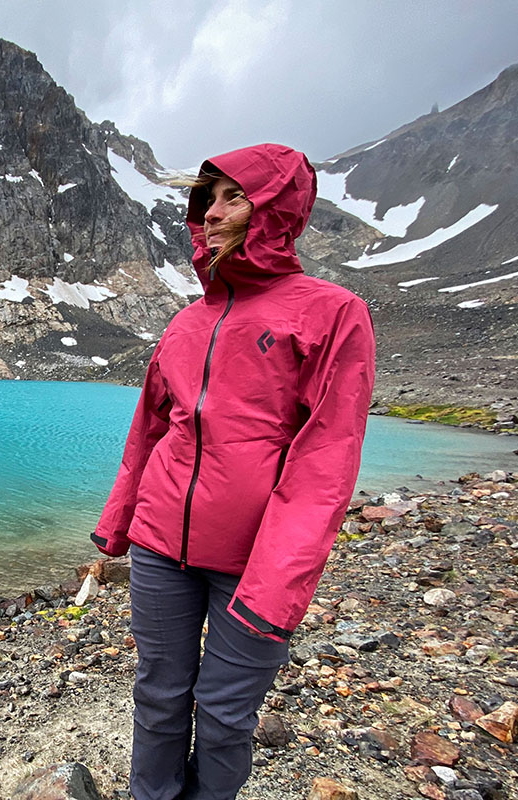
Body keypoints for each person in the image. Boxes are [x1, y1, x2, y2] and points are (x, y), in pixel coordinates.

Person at [91, 143, 376, 800]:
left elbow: (325, 464)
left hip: (254, 562)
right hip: (163, 548)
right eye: (206, 200)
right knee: (158, 700)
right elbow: (149, 434)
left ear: (274, 207)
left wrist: (277, 583)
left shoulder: (332, 313)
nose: (210, 215)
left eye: (231, 197)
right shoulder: (187, 323)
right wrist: (119, 526)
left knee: (223, 717)